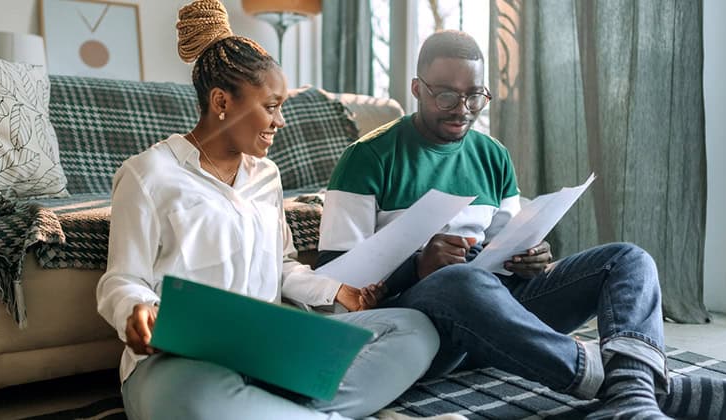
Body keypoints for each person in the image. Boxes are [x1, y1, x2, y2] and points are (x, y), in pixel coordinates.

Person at [318, 30, 726, 420]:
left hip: (501, 318)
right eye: (446, 96)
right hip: (426, 329)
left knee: (627, 260)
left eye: (475, 96)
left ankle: (631, 397)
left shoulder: (492, 155)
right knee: (460, 280)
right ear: (417, 89)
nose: (462, 110)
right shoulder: (368, 158)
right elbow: (335, 283)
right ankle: (635, 388)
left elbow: (505, 245)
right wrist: (417, 266)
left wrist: (533, 258)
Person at [96, 2, 464, 419]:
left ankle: (271, 409)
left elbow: (283, 264)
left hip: (269, 355)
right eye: (270, 106)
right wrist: (137, 309)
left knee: (414, 331)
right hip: (181, 364)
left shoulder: (266, 175)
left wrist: (334, 291)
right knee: (194, 403)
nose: (280, 121)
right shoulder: (147, 175)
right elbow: (123, 279)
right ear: (221, 101)